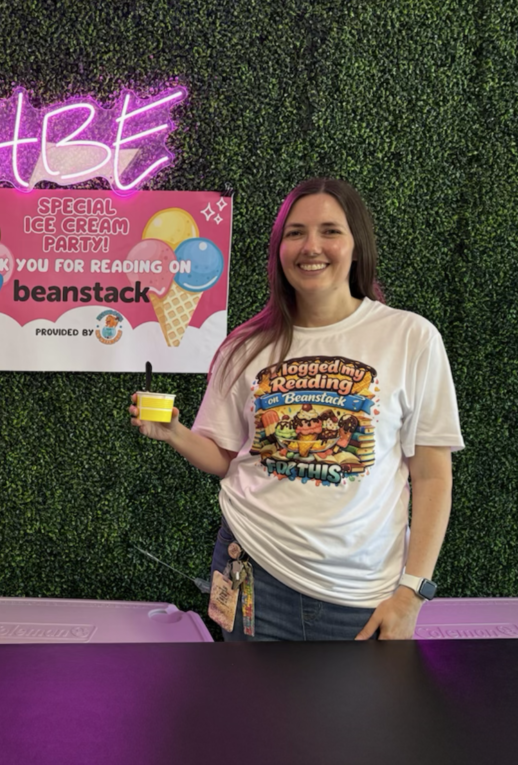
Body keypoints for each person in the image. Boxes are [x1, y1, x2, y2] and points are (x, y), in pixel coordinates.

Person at [131, 178, 463, 641]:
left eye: (330, 231)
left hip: (361, 594)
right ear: (279, 249)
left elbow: (432, 475)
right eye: (295, 233)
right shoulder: (245, 346)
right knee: (247, 693)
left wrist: (412, 592)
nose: (311, 246)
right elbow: (226, 458)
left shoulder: (411, 338)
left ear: (356, 245)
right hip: (251, 574)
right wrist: (175, 432)